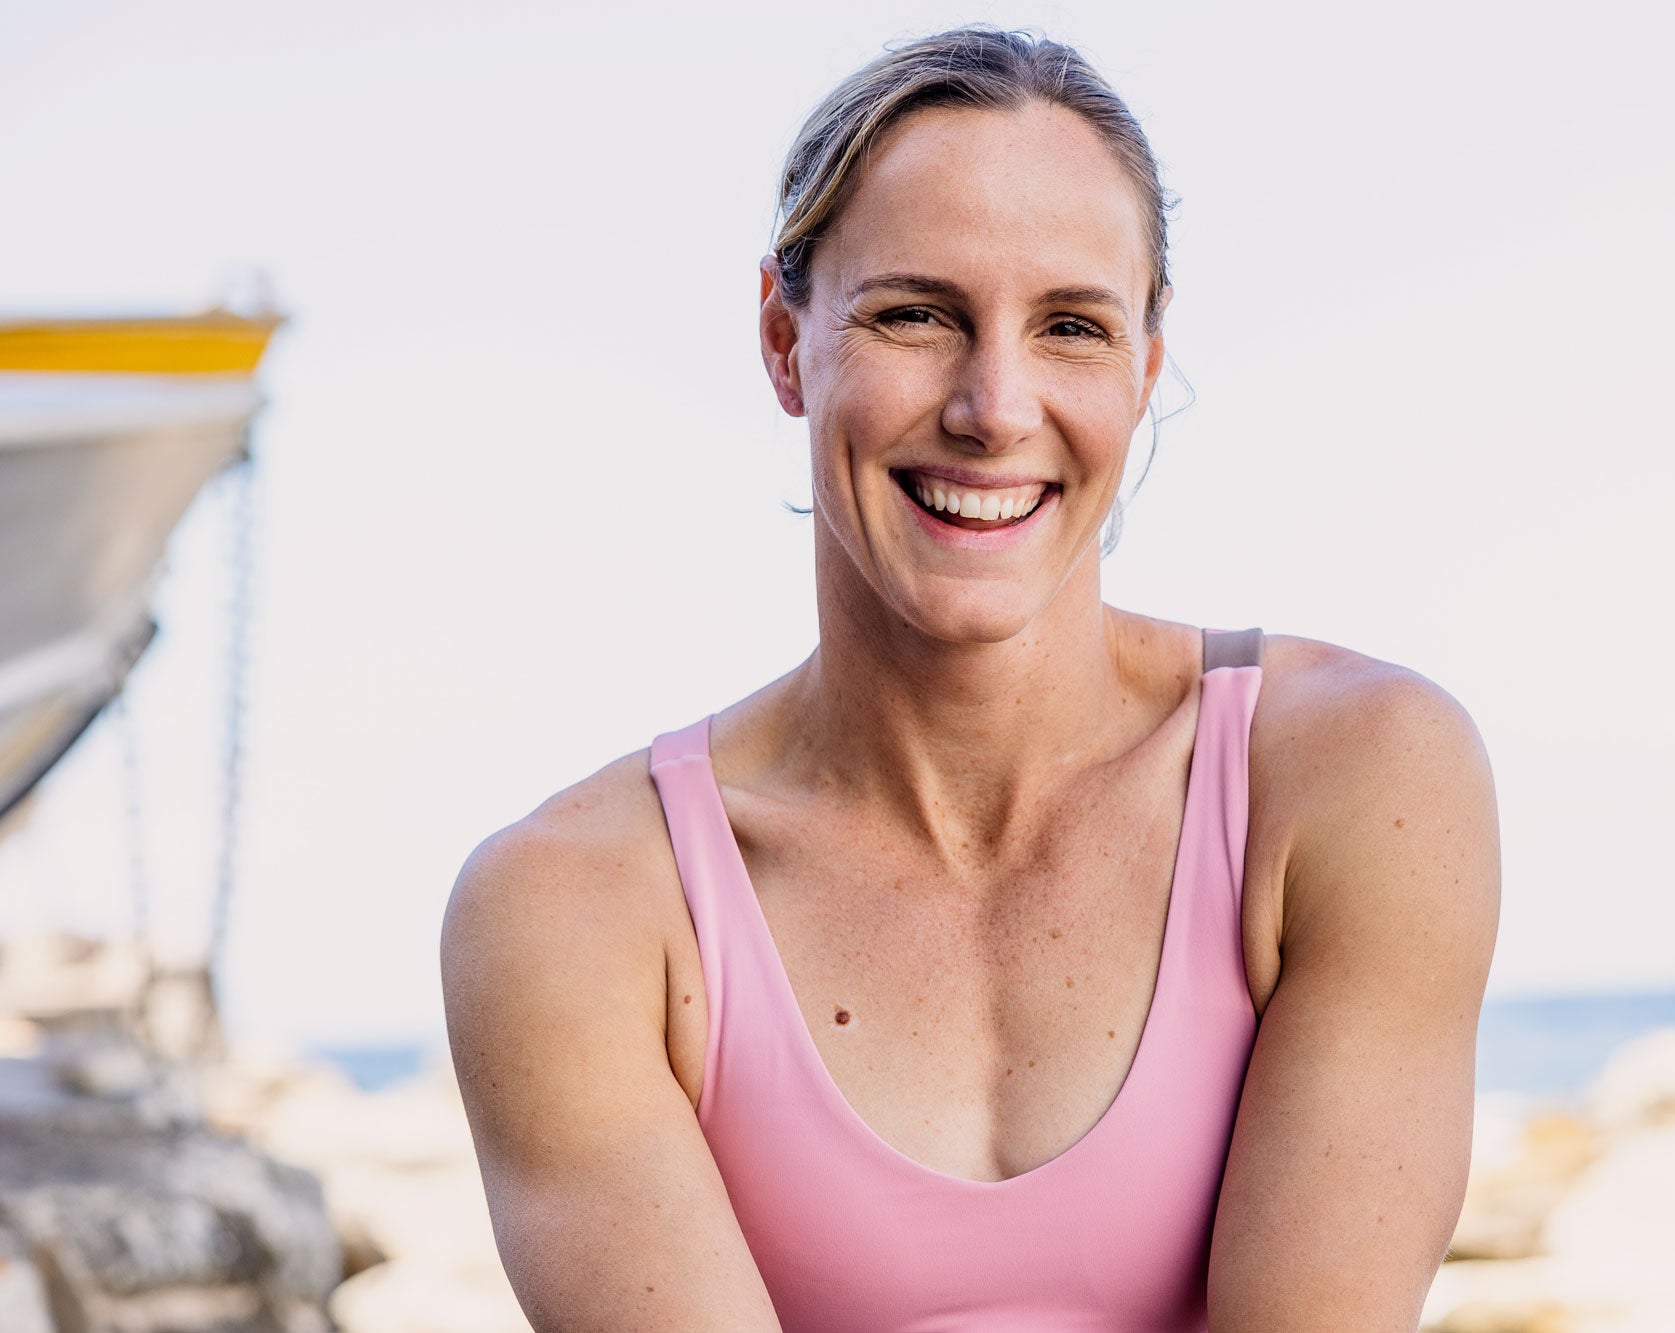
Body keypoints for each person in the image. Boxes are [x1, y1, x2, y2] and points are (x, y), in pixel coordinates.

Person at [442, 24, 1501, 1332]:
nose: (994, 407)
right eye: (917, 314)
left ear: (1146, 366)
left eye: (1069, 326)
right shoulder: (582, 908)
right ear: (785, 339)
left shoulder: (1353, 779)